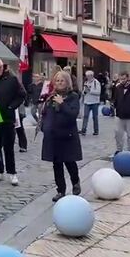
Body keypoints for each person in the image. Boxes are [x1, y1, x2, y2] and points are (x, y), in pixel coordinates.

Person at [41, 71, 82, 202]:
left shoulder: (73, 96)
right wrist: (44, 127)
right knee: (57, 164)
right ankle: (61, 190)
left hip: (67, 135)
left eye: (62, 81)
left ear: (67, 82)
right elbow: (46, 114)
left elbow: (73, 114)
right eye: (57, 81)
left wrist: (62, 104)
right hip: (53, 136)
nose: (59, 83)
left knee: (70, 162)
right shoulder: (51, 96)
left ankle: (75, 182)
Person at [0, 59, 25, 186]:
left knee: (8, 147)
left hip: (8, 118)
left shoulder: (12, 79)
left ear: (2, 67)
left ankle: (12, 173)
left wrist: (12, 106)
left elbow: (22, 95)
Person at [80, 70, 101, 136]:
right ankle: (83, 130)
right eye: (87, 76)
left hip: (94, 102)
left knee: (95, 117)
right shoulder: (86, 82)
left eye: (89, 76)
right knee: (85, 116)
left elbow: (98, 92)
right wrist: (84, 92)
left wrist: (90, 90)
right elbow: (84, 92)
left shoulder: (96, 82)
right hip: (87, 101)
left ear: (92, 76)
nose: (88, 77)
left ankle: (96, 130)